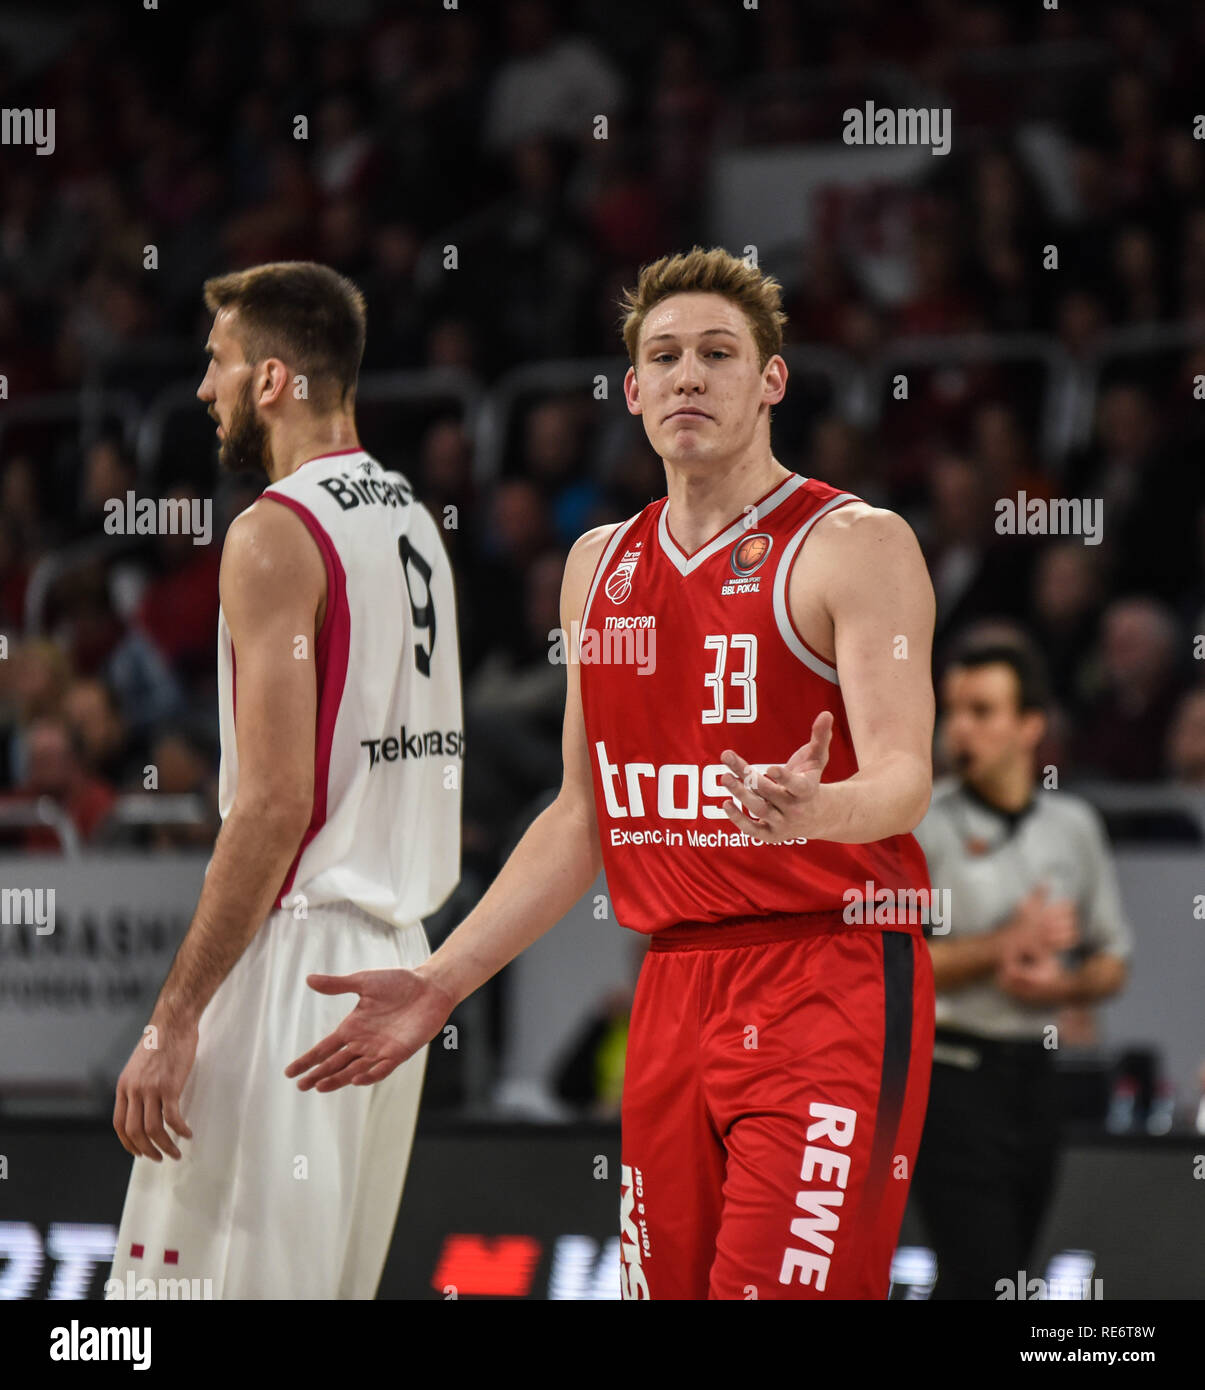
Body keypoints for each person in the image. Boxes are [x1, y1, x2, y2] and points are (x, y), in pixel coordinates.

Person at [288, 246, 937, 1300]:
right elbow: (579, 816)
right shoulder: (597, 565)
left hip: (831, 970)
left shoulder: (852, 542)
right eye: (665, 356)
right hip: (673, 985)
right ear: (631, 391)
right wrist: (441, 981)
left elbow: (905, 776)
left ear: (770, 379)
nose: (689, 376)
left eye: (718, 354)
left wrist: (819, 806)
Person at [108, 261, 462, 1299]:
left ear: (271, 379)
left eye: (217, 364)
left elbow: (273, 805)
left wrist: (172, 1018)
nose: (206, 388)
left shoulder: (274, 531)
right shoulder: (412, 521)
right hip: (396, 966)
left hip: (300, 965)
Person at [910, 639, 1131, 1299]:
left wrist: (1061, 986)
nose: (960, 729)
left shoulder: (1072, 826)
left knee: (1000, 1274)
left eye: (982, 710)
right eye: (952, 710)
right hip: (948, 1073)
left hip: (1036, 1075)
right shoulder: (921, 826)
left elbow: (1111, 959)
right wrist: (1002, 944)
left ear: (1030, 725)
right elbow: (897, 967)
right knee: (985, 1274)